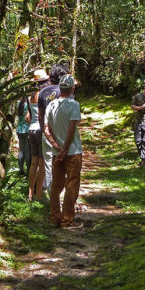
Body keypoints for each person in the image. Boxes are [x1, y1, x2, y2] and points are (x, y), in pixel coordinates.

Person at [44, 74, 83, 228]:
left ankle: (55, 217)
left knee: (56, 185)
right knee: (71, 184)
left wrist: (56, 146)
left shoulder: (51, 105)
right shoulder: (73, 105)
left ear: (60, 88)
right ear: (72, 88)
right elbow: (71, 129)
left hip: (57, 152)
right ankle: (67, 220)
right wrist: (65, 149)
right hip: (72, 151)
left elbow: (46, 129)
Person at [37, 64, 69, 192]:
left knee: (49, 164)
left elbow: (40, 115)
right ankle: (63, 195)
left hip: (47, 132)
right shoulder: (66, 91)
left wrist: (44, 131)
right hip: (63, 133)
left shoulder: (43, 92)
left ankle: (53, 197)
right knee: (64, 163)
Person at [28, 68, 50, 201]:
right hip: (41, 130)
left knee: (33, 163)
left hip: (31, 129)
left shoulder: (31, 95)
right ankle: (39, 194)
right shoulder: (44, 95)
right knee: (41, 164)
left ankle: (30, 193)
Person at [16, 92, 31, 176]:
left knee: (21, 150)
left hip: (19, 129)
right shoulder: (28, 104)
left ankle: (21, 170)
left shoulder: (19, 103)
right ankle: (29, 171)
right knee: (28, 152)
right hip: (27, 129)